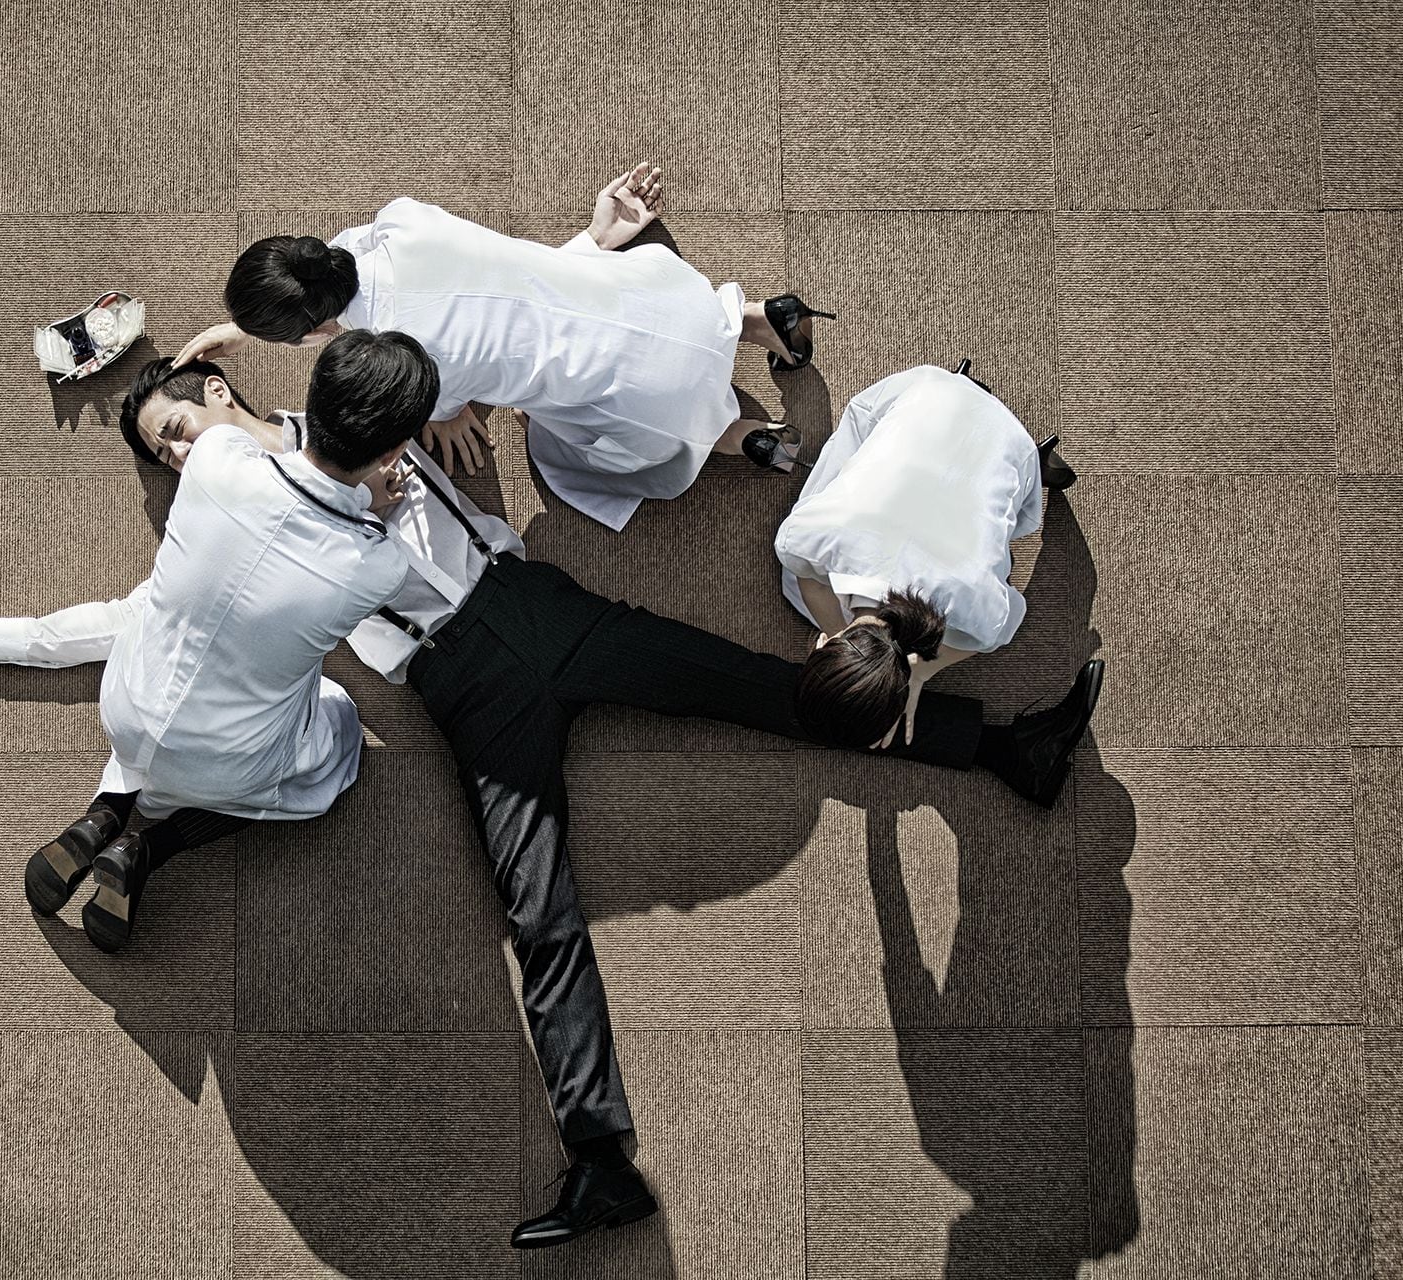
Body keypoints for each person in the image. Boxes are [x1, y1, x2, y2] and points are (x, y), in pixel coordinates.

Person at [102, 356, 1105, 1249]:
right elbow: (180, 634)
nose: (181, 458)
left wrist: (450, 410)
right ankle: (603, 1159)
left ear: (224, 391)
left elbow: (449, 344)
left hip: (532, 606)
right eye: (165, 453)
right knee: (537, 905)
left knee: (753, 683)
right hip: (463, 684)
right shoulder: (228, 508)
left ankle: (1009, 749)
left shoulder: (354, 399)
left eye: (179, 430)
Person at [0, 331, 439, 951]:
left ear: (314, 396)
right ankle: (149, 846)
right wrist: (373, 504)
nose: (174, 451)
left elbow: (123, 617)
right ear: (395, 447)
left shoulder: (217, 458)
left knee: (157, 648)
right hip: (228, 764)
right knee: (339, 732)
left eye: (173, 433)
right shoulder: (378, 566)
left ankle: (106, 813)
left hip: (126, 713)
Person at [174, 163, 828, 531]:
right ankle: (759, 318)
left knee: (560, 443)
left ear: (313, 335)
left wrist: (450, 413)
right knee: (579, 299)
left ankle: (745, 437)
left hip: (656, 395)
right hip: (664, 296)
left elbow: (439, 393)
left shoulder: (399, 359)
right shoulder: (397, 219)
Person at [775, 360, 1096, 800]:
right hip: (927, 390)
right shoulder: (802, 539)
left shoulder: (975, 609)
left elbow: (999, 627)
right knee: (797, 577)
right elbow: (808, 577)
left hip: (1011, 446)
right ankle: (973, 432)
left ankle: (1012, 466)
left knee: (795, 592)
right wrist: (841, 635)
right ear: (823, 647)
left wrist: (923, 673)